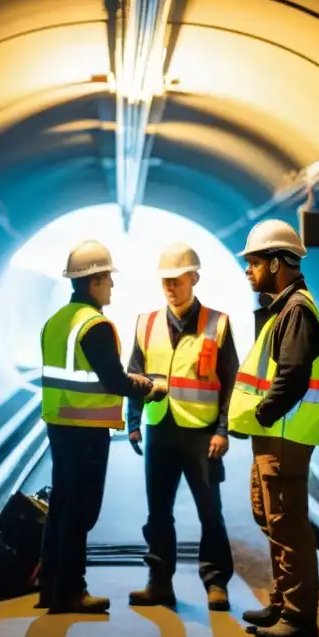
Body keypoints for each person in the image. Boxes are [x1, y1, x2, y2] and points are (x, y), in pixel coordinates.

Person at [39, 239, 164, 614]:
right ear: (94, 281)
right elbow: (115, 381)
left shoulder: (56, 321)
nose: (111, 285)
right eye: (108, 278)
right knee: (81, 512)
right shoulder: (95, 325)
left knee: (61, 505)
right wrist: (150, 387)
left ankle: (50, 586)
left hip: (59, 425)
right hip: (86, 432)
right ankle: (71, 592)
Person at [227, 219, 319, 637]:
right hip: (273, 437)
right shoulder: (281, 310)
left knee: (287, 524)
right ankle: (283, 601)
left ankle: (300, 618)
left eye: (253, 263)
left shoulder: (297, 311)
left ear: (275, 264)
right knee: (268, 516)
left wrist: (264, 415)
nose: (248, 271)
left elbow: (292, 377)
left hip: (285, 436)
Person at [125, 243, 239, 611]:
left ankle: (216, 583)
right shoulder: (147, 323)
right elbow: (134, 375)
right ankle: (159, 583)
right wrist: (133, 421)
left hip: (202, 434)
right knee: (158, 513)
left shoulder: (217, 324)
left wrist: (223, 430)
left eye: (176, 280)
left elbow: (230, 381)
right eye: (165, 282)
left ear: (194, 278)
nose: (170, 287)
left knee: (210, 512)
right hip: (160, 429)